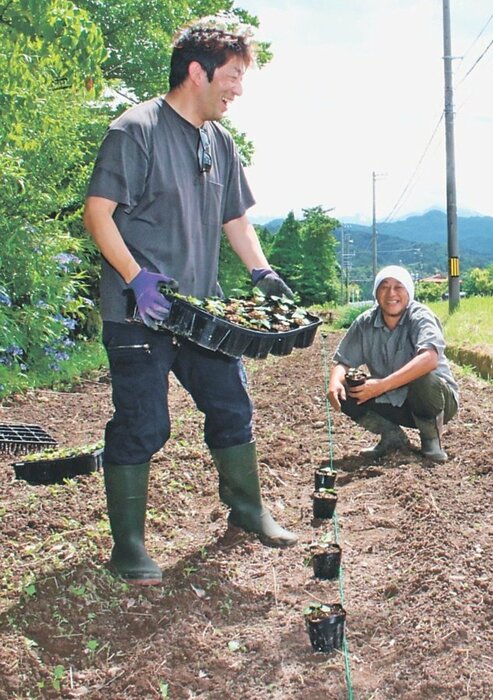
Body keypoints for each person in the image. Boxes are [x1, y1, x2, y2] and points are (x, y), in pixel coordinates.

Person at [83, 15, 297, 586]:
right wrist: (136, 277)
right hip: (140, 311)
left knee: (232, 408)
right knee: (143, 423)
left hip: (202, 313)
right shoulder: (137, 129)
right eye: (232, 75)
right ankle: (128, 547)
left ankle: (248, 510)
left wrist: (262, 271)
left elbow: (235, 218)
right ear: (198, 72)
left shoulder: (218, 141)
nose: (238, 88)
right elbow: (97, 215)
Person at [327, 266, 459, 463]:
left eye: (399, 287)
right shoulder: (365, 322)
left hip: (435, 401)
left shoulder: (421, 317)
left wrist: (381, 385)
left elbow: (429, 359)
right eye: (384, 287)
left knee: (421, 376)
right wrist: (334, 382)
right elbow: (343, 362)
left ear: (409, 292)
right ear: (376, 292)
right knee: (344, 388)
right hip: (394, 401)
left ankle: (431, 440)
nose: (391, 294)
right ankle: (391, 436)